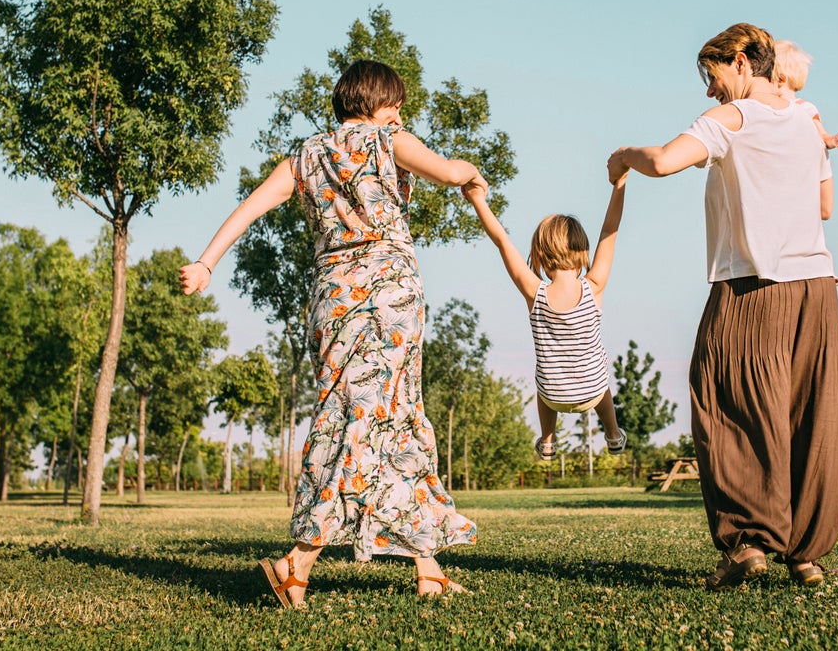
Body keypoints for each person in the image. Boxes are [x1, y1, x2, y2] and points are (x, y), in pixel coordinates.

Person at [179, 60, 484, 607]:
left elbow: (251, 206)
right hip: (389, 298)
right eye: (396, 102)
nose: (400, 112)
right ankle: (297, 561)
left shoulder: (308, 152)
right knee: (365, 420)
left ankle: (428, 567)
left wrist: (205, 263)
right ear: (377, 102)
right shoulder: (390, 137)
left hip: (333, 299)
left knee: (384, 414)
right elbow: (448, 171)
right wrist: (471, 174)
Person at [606, 23, 838, 589]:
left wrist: (623, 157)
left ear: (740, 61)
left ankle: (747, 542)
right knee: (810, 416)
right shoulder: (807, 120)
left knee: (723, 395)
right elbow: (825, 204)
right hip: (816, 286)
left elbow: (666, 160)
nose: (710, 91)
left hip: (751, 285)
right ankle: (807, 554)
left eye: (711, 75)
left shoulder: (732, 119)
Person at [461, 176, 628, 461]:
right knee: (599, 379)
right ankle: (612, 433)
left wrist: (477, 200)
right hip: (592, 392)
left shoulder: (534, 292)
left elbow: (502, 241)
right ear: (583, 251)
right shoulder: (595, 285)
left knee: (545, 377)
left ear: (539, 253)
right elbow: (610, 230)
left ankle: (548, 440)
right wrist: (619, 184)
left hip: (553, 394)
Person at [773, 39, 838, 150]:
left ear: (780, 78)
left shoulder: (805, 108)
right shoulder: (766, 106)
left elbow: (822, 136)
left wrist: (833, 139)